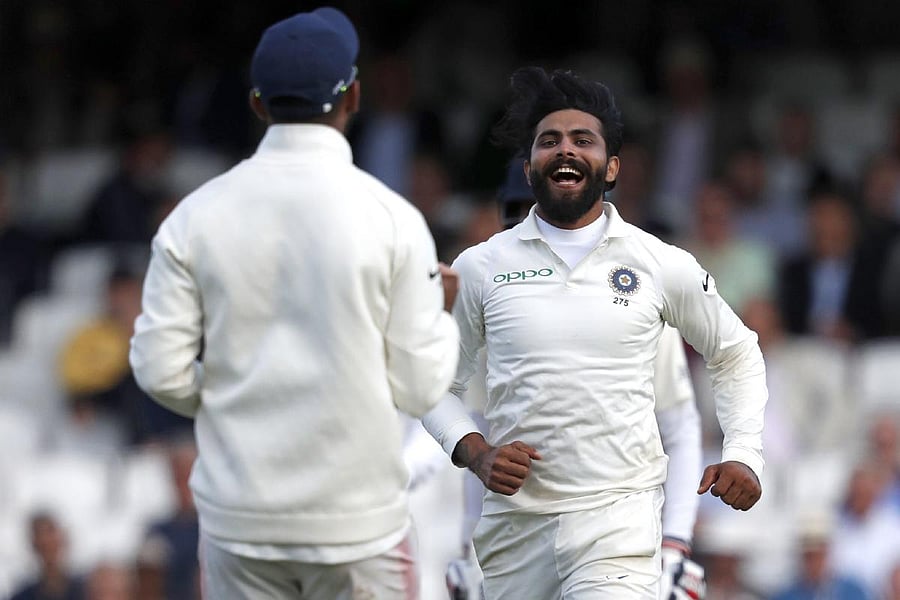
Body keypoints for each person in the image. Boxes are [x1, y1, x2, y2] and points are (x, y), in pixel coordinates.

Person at [128, 7, 459, 600]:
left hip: (238, 521)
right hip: (358, 528)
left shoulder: (192, 218)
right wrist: (438, 316)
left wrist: (236, 392)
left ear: (257, 104)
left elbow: (158, 369)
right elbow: (422, 387)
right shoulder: (394, 220)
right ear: (354, 96)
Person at [422, 67, 767, 599]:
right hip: (513, 535)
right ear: (529, 165)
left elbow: (737, 351)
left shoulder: (658, 262)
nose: (565, 150)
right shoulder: (482, 266)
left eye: (583, 140)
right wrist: (476, 451)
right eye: (549, 141)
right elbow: (431, 382)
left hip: (618, 529)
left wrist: (743, 450)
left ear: (610, 168)